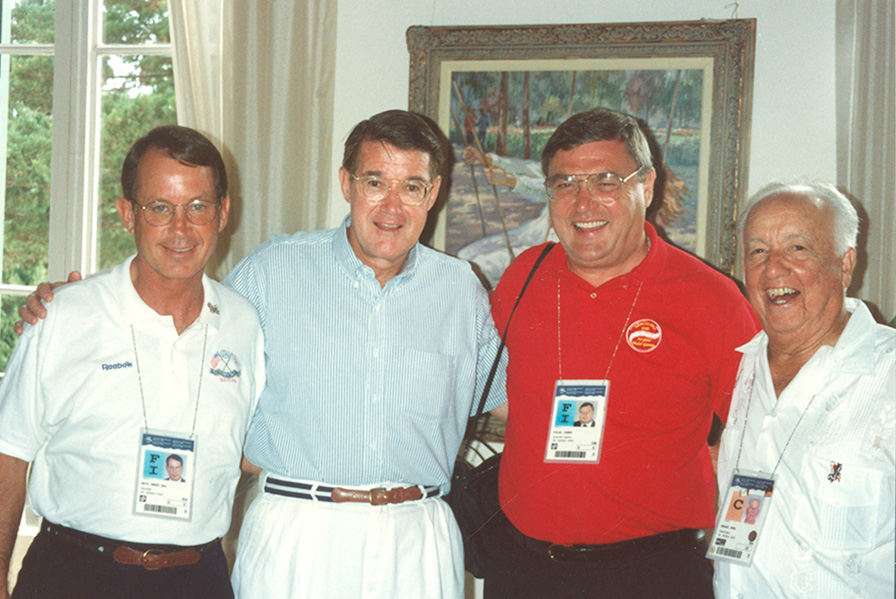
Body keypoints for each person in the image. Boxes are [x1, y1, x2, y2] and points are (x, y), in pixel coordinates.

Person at [13, 111, 506, 599]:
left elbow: (514, 402)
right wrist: (79, 300)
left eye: (412, 187)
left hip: (418, 539)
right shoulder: (274, 271)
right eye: (375, 182)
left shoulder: (460, 291)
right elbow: (179, 305)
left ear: (433, 193)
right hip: (297, 533)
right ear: (346, 184)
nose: (391, 206)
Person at [484, 107, 759, 599]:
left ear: (647, 186)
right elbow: (504, 393)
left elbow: (763, 437)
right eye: (565, 184)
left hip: (653, 575)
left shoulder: (711, 298)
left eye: (606, 181)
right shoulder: (525, 274)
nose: (583, 203)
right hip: (524, 569)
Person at [0, 126, 264, 599]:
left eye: (198, 207)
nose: (180, 228)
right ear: (128, 214)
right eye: (160, 207)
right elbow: (8, 453)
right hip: (72, 575)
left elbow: (254, 450)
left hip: (197, 578)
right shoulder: (64, 316)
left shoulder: (245, 323)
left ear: (223, 213)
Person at [712, 182, 894, 598]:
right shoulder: (747, 365)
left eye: (797, 248)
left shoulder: (888, 376)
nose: (773, 269)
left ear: (846, 264)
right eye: (758, 251)